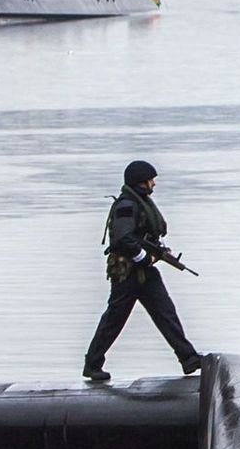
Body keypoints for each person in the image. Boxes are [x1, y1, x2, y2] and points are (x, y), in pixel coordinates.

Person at [84, 159, 204, 382]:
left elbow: (143, 235)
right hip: (127, 273)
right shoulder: (126, 205)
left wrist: (158, 251)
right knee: (114, 320)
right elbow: (123, 237)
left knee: (166, 313)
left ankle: (188, 359)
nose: (154, 184)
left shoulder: (140, 203)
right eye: (151, 180)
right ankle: (92, 364)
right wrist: (143, 256)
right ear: (140, 182)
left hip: (145, 273)